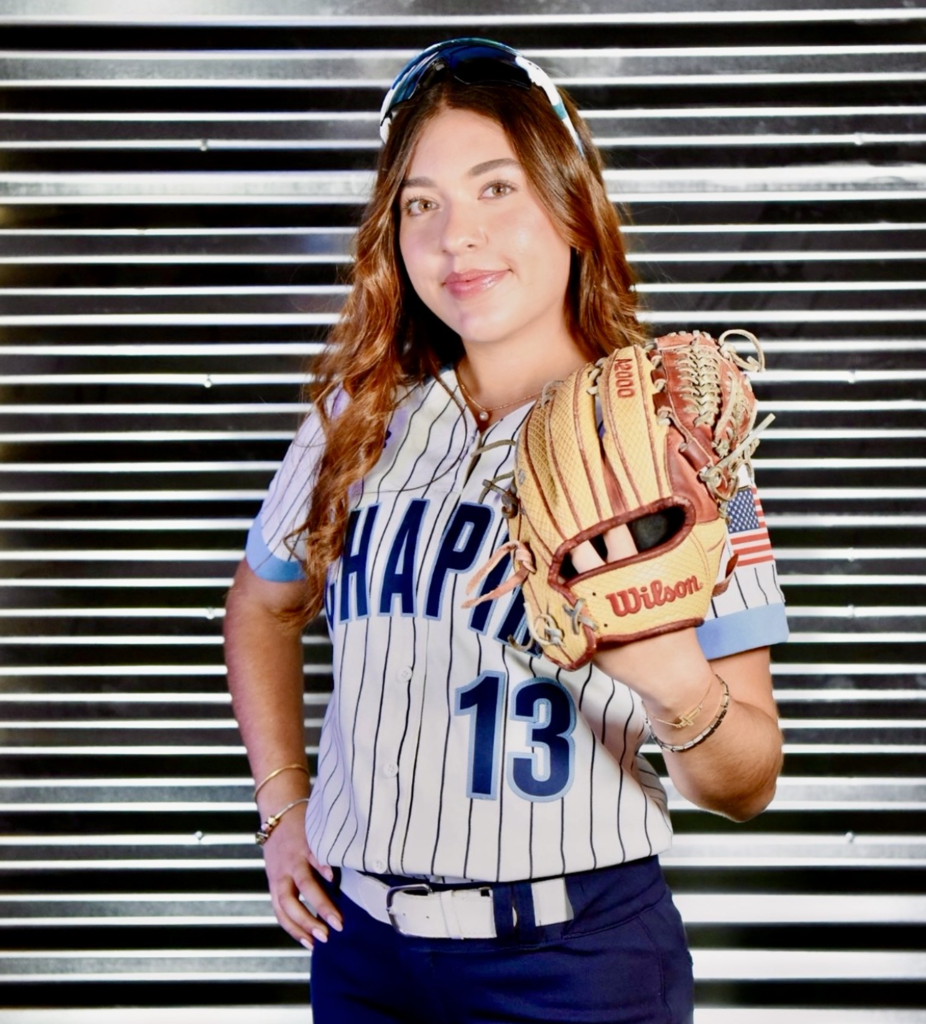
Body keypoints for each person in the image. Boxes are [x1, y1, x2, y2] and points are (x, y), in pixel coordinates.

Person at [223, 38, 789, 1024]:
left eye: (496, 188)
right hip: (363, 962)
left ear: (572, 202)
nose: (455, 238)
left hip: (574, 965)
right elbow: (259, 605)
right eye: (421, 203)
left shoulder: (684, 433)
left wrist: (674, 682)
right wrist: (282, 806)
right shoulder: (354, 420)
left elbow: (744, 778)